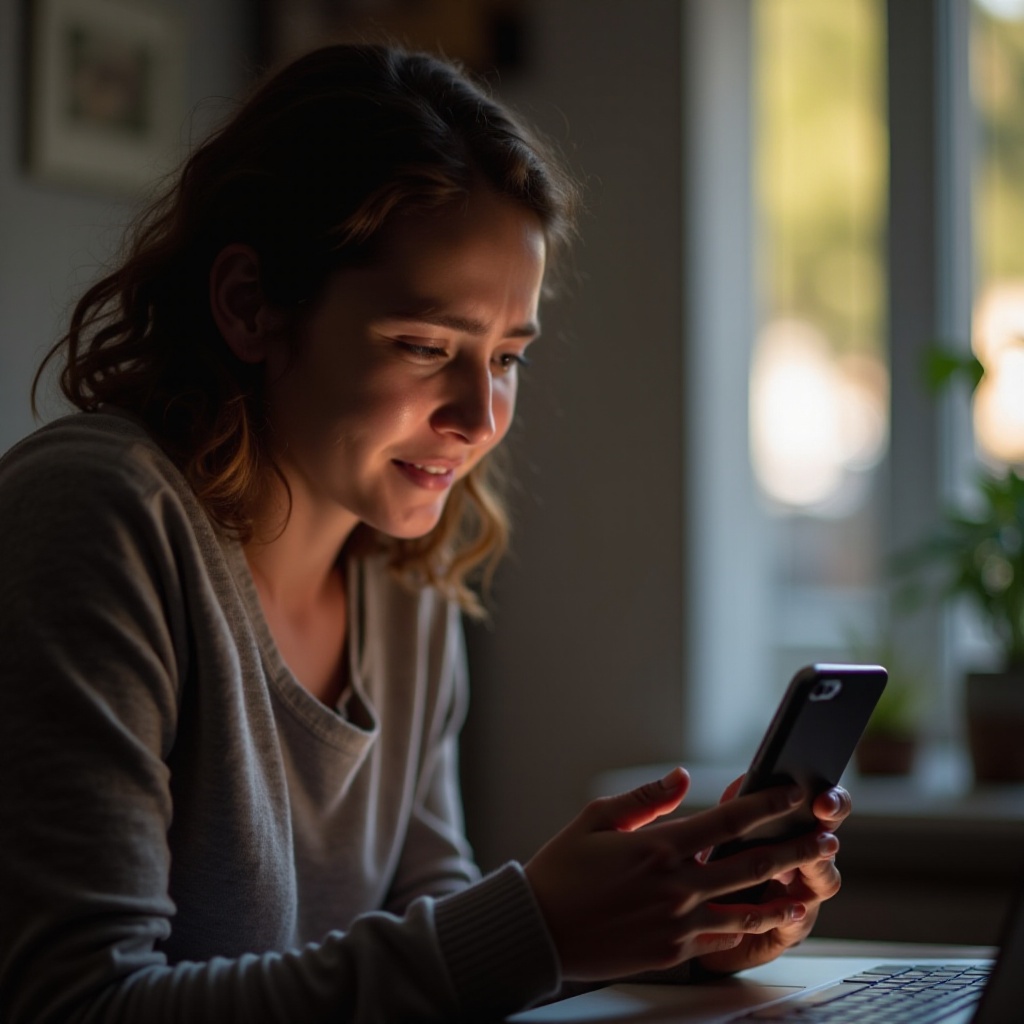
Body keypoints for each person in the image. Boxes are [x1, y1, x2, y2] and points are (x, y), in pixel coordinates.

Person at [0, 43, 850, 1023]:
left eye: (506, 357)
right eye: (424, 347)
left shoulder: (404, 583)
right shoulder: (95, 519)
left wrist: (665, 932)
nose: (479, 415)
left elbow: (430, 935)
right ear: (248, 305)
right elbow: (73, 1004)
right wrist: (541, 926)